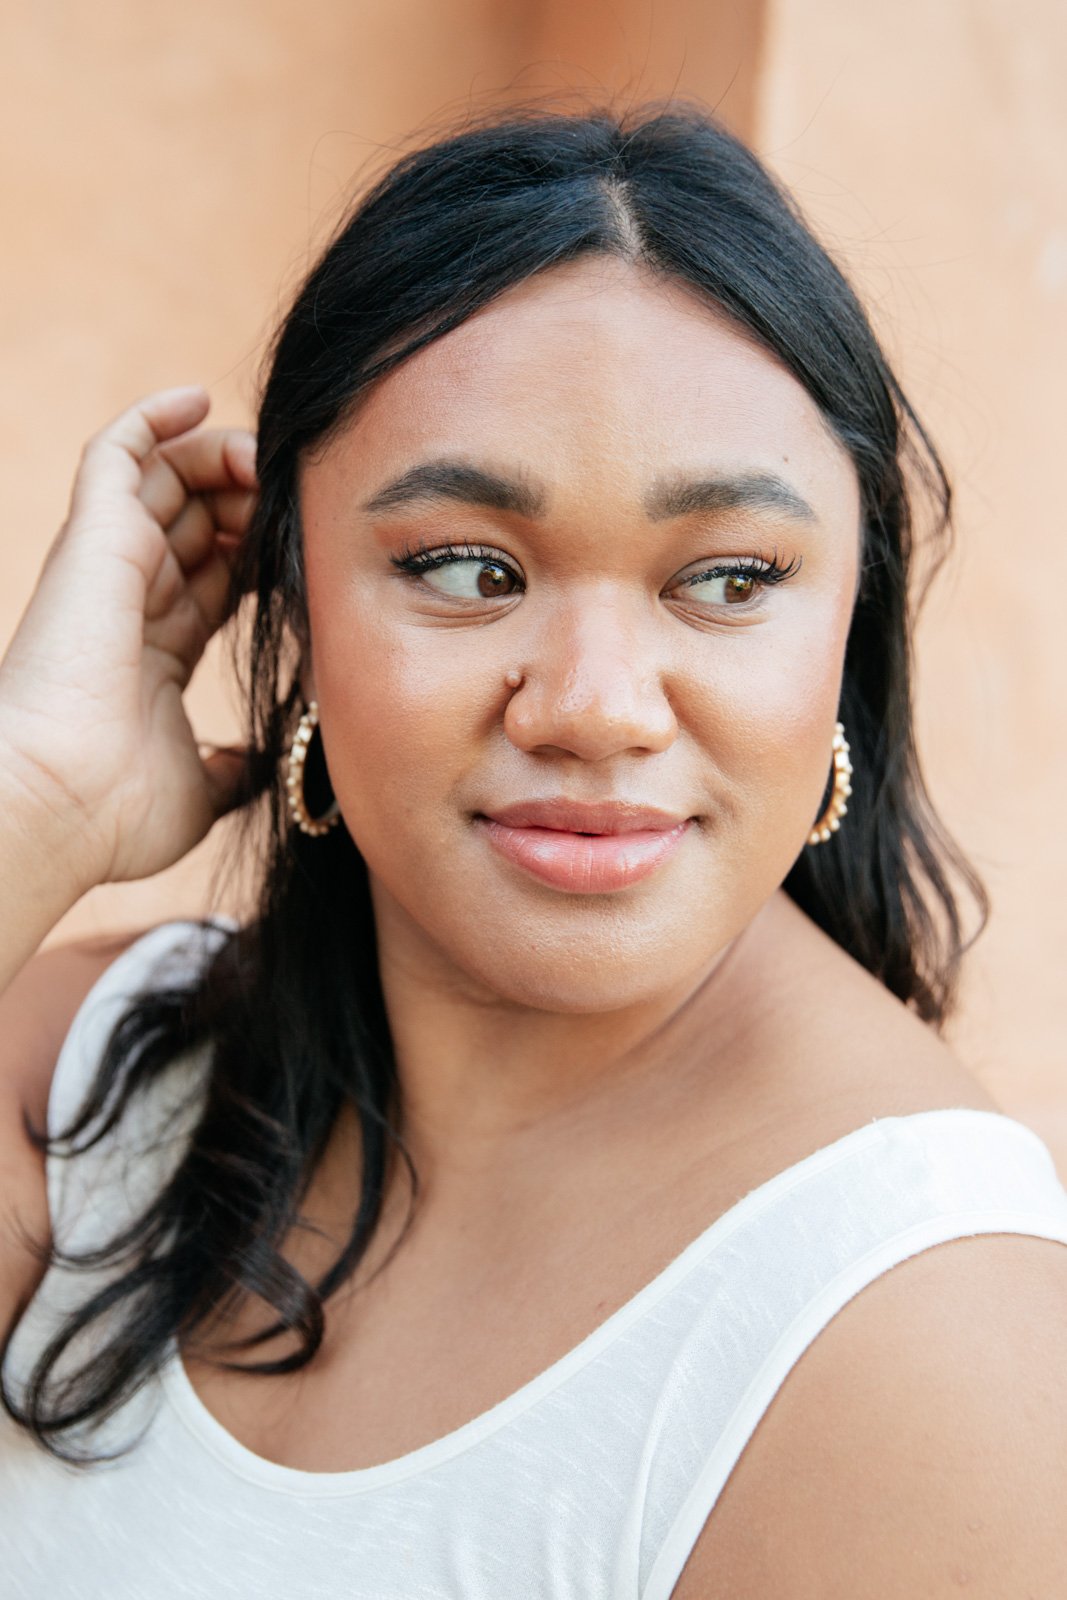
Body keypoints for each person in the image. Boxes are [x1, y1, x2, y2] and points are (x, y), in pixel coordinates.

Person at [1, 101, 1066, 1598]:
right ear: (289, 602)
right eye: (465, 567)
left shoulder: (933, 1350)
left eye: (729, 579)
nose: (593, 709)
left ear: (850, 633)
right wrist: (29, 806)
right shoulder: (90, 1085)